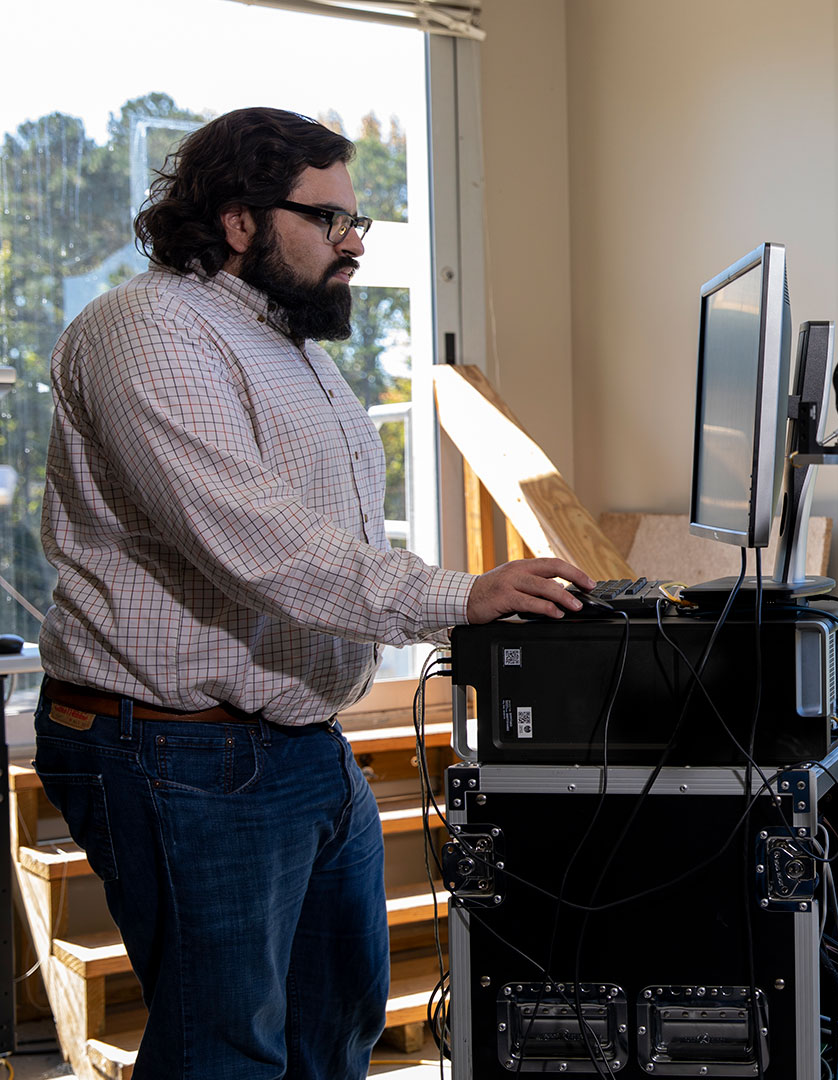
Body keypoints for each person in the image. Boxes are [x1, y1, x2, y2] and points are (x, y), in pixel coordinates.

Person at [32, 106, 590, 1079]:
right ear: (241, 218)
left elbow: (322, 542)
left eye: (356, 220)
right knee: (226, 1053)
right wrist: (459, 595)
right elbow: (256, 543)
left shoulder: (292, 346)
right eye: (330, 220)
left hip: (297, 743)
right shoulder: (150, 330)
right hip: (178, 749)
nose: (355, 242)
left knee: (335, 1030)